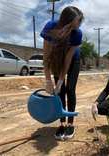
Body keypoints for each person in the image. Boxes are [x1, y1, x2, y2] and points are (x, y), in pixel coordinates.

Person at [40, 6, 83, 140]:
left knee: (69, 89)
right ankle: (62, 123)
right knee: (60, 92)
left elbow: (68, 59)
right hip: (56, 58)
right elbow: (46, 56)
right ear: (69, 20)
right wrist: (48, 80)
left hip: (74, 60)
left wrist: (60, 80)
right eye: (78, 21)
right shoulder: (51, 27)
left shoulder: (77, 33)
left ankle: (70, 124)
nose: (80, 24)